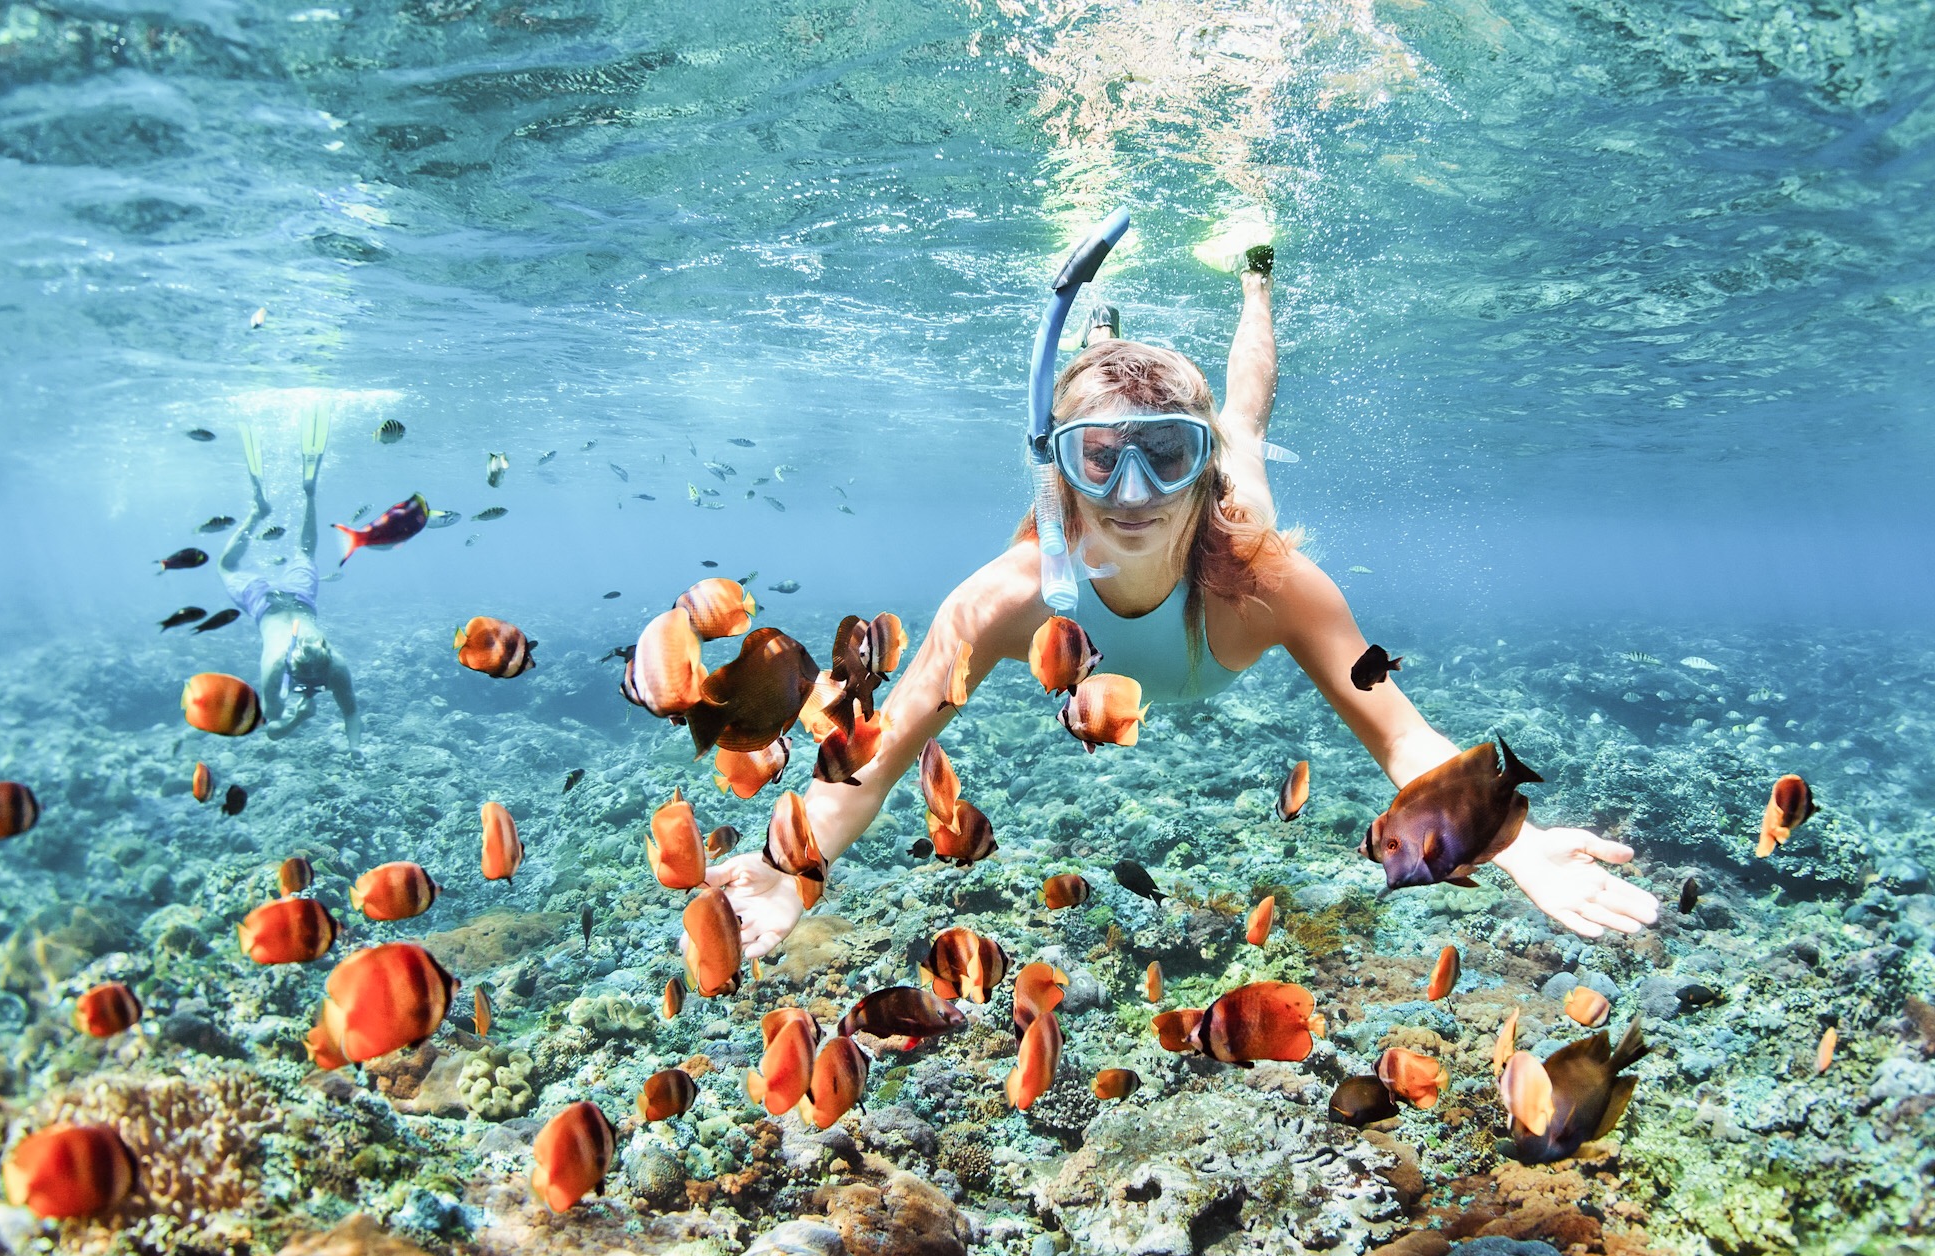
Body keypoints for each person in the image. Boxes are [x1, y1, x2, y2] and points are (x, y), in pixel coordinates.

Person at [705, 242, 1660, 957]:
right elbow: (876, 756)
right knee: (1124, 389)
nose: (1133, 494)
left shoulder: (1270, 582)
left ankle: (1253, 276)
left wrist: (1509, 836)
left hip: (1236, 523)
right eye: (1099, 458)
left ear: (1201, 476)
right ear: (1062, 474)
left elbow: (1403, 737)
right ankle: (1105, 342)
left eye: (1168, 454)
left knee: (1242, 419)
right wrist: (794, 870)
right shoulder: (1005, 601)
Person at [218, 404, 361, 752]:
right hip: (267, 603)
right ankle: (298, 497)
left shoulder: (286, 666)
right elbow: (349, 714)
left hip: (296, 598)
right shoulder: (324, 667)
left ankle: (272, 508)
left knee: (291, 555)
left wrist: (353, 747)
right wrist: (351, 746)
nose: (311, 684)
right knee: (292, 555)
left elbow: (272, 726)